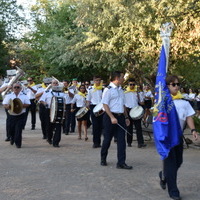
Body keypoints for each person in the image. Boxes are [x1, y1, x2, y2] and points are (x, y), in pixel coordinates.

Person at [159, 75, 198, 200]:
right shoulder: (162, 101)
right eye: (173, 84)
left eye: (177, 84)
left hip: (179, 136)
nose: (176, 87)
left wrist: (193, 130)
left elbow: (189, 117)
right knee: (171, 164)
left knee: (178, 162)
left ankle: (164, 175)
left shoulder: (184, 102)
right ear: (167, 86)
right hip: (168, 137)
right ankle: (173, 191)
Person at [100, 71, 132, 170]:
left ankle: (121, 162)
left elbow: (123, 105)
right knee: (107, 139)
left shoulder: (121, 90)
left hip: (121, 116)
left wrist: (126, 117)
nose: (123, 79)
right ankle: (103, 158)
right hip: (110, 116)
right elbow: (105, 104)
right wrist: (112, 117)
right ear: (117, 78)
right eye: (122, 77)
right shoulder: (108, 90)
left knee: (122, 140)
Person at [2, 82, 30, 148]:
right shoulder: (9, 95)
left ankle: (18, 143)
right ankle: (12, 138)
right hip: (12, 115)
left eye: (18, 87)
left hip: (21, 115)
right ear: (12, 88)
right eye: (15, 87)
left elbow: (28, 104)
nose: (16, 88)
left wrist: (19, 105)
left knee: (18, 129)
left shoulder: (24, 96)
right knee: (11, 129)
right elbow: (4, 104)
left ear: (20, 88)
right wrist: (9, 106)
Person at [39, 79, 66, 147]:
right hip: (49, 110)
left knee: (58, 126)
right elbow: (41, 100)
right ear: (51, 84)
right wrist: (45, 103)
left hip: (59, 111)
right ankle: (49, 138)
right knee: (49, 126)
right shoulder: (47, 92)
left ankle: (56, 142)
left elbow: (65, 101)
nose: (55, 84)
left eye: (56, 83)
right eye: (54, 83)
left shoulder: (62, 93)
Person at [124, 78, 146, 148]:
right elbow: (123, 103)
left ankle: (140, 143)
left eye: (133, 84)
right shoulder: (125, 93)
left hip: (136, 110)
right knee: (129, 127)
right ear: (128, 85)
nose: (132, 86)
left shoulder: (137, 92)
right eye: (131, 84)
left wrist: (140, 95)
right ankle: (129, 142)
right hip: (128, 110)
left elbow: (142, 102)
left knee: (138, 127)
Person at [86, 76, 103, 148]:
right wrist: (87, 106)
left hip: (101, 107)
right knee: (95, 125)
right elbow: (88, 99)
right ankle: (95, 142)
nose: (98, 82)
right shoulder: (91, 89)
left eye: (99, 80)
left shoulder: (103, 89)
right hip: (94, 106)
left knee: (101, 125)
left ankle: (99, 142)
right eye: (96, 80)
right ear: (94, 81)